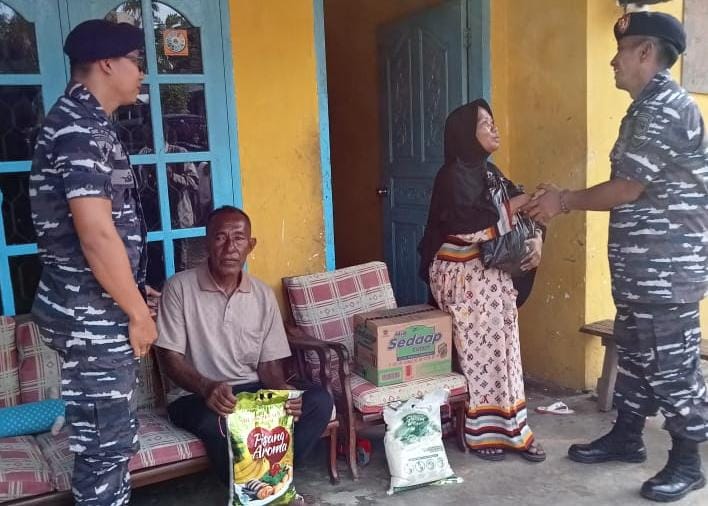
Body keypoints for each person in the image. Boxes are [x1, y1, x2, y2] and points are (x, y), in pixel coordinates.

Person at [524, 11, 708, 502]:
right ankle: (627, 436)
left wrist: (562, 200)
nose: (613, 60)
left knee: (672, 364)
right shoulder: (645, 107)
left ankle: (688, 462)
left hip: (667, 269)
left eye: (622, 51)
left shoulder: (667, 108)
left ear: (645, 53)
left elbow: (627, 188)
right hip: (643, 267)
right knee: (635, 355)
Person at [29, 19, 154, 505]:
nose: (141, 73)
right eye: (136, 62)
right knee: (104, 449)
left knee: (111, 444)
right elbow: (96, 234)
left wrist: (136, 290)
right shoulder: (78, 128)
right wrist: (138, 315)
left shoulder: (84, 122)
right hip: (90, 316)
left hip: (96, 309)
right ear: (107, 64)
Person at [155, 206, 334, 487]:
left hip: (252, 392)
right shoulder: (179, 288)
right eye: (220, 238)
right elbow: (170, 359)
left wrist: (283, 392)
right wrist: (206, 387)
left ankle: (269, 486)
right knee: (220, 423)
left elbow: (269, 366)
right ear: (207, 243)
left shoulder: (262, 294)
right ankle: (263, 493)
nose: (230, 247)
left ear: (250, 246)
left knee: (318, 401)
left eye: (239, 238)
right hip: (196, 396)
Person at [417, 99, 545, 462]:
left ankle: (514, 427)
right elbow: (467, 224)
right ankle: (481, 429)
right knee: (480, 352)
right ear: (465, 134)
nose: (495, 129)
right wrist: (519, 203)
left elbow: (519, 217)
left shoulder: (491, 174)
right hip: (459, 276)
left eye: (493, 122)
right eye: (485, 123)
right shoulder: (451, 175)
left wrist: (535, 238)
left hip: (490, 274)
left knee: (505, 348)